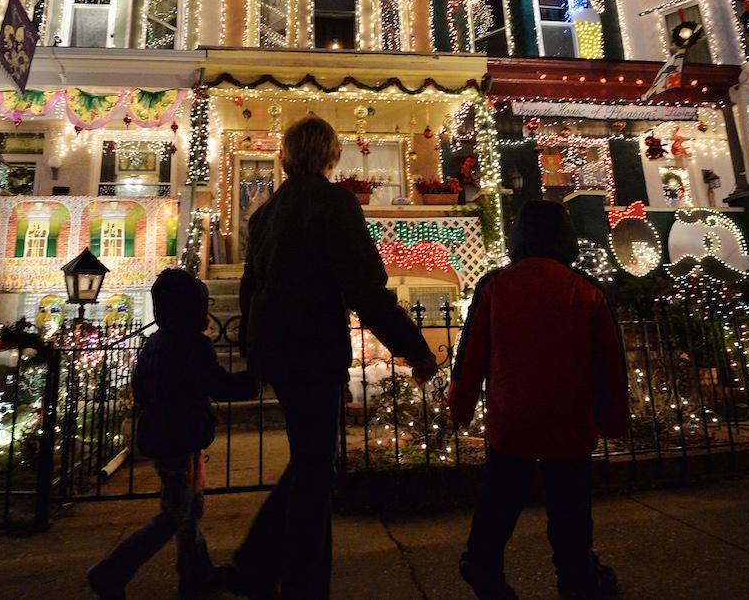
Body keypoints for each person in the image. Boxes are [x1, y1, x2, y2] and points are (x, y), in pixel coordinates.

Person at [228, 115, 438, 600]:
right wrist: (414, 347)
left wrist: (253, 350)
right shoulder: (335, 204)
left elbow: (250, 288)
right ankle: (300, 581)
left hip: (278, 350)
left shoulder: (266, 212)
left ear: (284, 155)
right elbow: (365, 287)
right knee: (315, 469)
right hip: (313, 350)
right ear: (331, 155)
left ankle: (256, 565)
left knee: (310, 462)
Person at [448, 200, 630, 600]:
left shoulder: (495, 285)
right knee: (570, 506)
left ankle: (482, 562)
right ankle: (577, 576)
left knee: (501, 496)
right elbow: (609, 362)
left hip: (513, 417)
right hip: (569, 418)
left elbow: (471, 351)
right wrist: (614, 416)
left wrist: (460, 405)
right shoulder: (586, 289)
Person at [87, 268, 257, 600]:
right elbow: (216, 384)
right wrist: (252, 381)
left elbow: (140, 386)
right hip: (177, 436)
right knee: (175, 513)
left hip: (166, 433)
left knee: (190, 509)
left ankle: (197, 574)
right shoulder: (193, 344)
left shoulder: (156, 343)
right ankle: (110, 572)